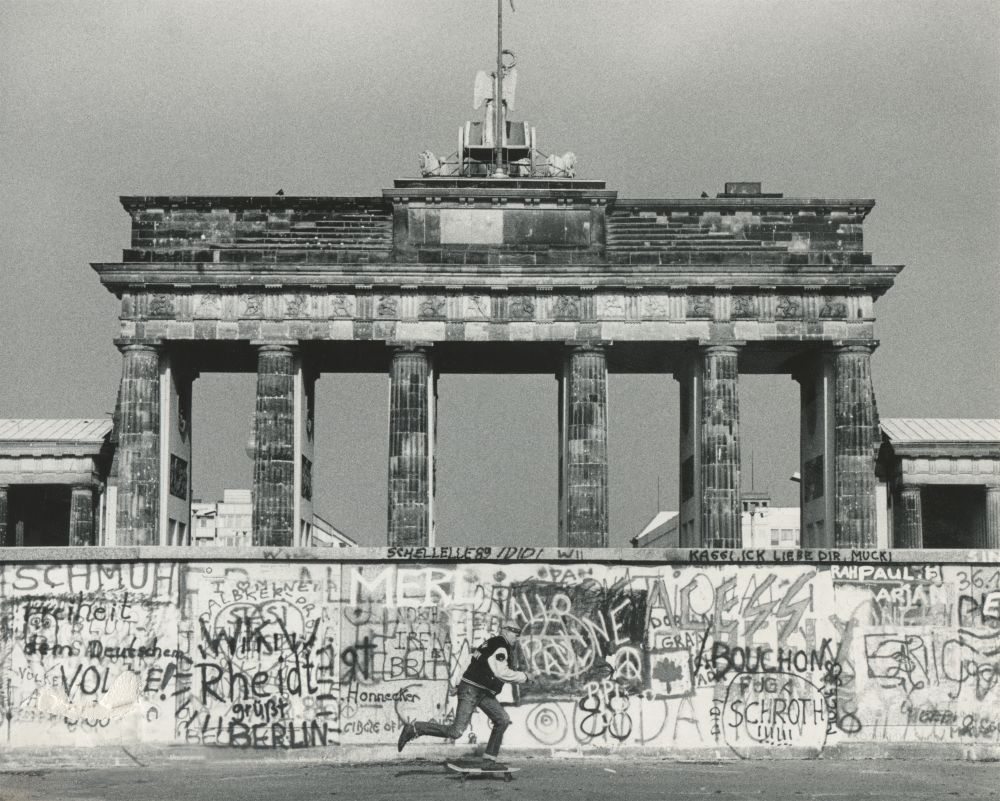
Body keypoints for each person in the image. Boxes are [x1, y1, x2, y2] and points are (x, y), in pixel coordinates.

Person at [397, 621, 527, 768]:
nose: (516, 638)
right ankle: (414, 728)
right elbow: (501, 672)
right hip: (473, 690)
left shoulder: (490, 643)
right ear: (506, 631)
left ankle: (489, 761)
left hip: (480, 691)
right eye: (516, 635)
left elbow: (470, 660)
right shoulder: (501, 646)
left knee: (502, 719)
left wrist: (459, 684)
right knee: (456, 731)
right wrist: (525, 677)